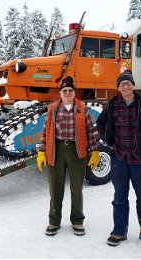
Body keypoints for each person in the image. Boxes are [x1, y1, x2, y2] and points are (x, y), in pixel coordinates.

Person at [96, 70, 141, 249]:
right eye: (122, 84)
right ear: (118, 87)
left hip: (140, 159)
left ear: (133, 85)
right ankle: (119, 229)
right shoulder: (111, 104)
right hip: (119, 158)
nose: (125, 86)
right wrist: (108, 140)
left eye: (128, 83)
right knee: (119, 197)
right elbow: (100, 123)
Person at [36, 76, 100, 237]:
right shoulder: (52, 109)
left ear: (74, 92)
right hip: (56, 150)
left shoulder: (81, 108)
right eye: (64, 90)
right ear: (60, 93)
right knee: (55, 188)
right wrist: (42, 151)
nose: (67, 92)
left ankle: (77, 220)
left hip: (76, 150)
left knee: (76, 188)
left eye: (70, 90)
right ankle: (54, 220)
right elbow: (45, 131)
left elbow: (90, 130)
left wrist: (95, 150)